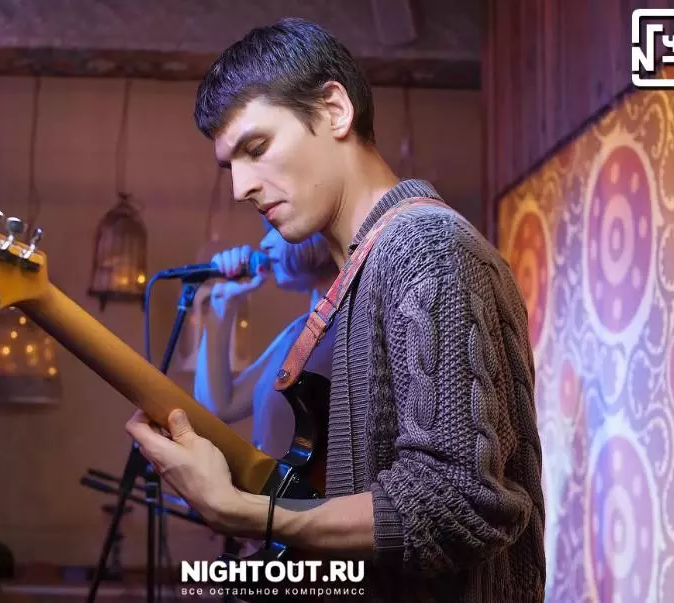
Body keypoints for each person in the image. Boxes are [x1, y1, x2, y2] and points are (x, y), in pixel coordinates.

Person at [126, 17, 545, 602]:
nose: (240, 187)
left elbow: (456, 500)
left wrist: (246, 513)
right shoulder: (359, 275)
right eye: (230, 165)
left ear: (334, 111)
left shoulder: (426, 248)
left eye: (256, 148)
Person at [192, 222, 338, 460]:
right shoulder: (301, 330)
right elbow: (220, 405)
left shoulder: (345, 326)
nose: (264, 243)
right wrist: (223, 301)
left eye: (276, 229)